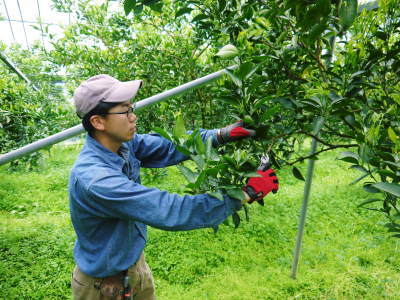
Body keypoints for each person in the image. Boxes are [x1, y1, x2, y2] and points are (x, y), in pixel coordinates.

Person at [69, 74, 279, 300]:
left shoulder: (124, 145)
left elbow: (169, 146)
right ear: (98, 122)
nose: (133, 117)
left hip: (134, 267)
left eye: (132, 108)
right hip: (103, 288)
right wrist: (244, 194)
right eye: (125, 111)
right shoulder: (96, 180)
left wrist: (220, 135)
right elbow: (169, 209)